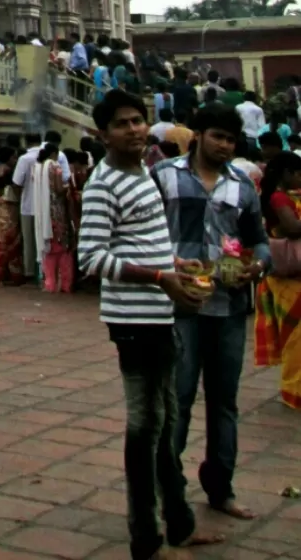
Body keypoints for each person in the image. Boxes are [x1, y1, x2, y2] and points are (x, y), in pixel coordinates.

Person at [77, 89, 220, 560]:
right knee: (145, 426)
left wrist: (174, 263)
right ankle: (145, 536)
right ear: (103, 133)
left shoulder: (141, 171)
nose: (134, 129)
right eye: (122, 123)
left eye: (139, 120)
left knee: (166, 420)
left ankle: (177, 522)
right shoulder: (103, 184)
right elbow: (92, 258)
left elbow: (143, 241)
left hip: (160, 313)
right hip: (133, 320)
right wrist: (161, 276)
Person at [151, 103, 269, 522]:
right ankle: (171, 491)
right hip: (180, 304)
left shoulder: (244, 186)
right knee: (177, 399)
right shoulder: (164, 177)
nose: (224, 145)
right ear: (197, 134)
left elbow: (260, 239)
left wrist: (258, 266)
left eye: (231, 139)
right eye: (217, 136)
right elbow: (145, 233)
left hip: (229, 307)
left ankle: (221, 487)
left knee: (224, 401)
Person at [254, 152, 301, 411]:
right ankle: (294, 391)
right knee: (296, 338)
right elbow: (293, 228)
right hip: (287, 277)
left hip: (293, 276)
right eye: (297, 173)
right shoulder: (278, 197)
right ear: (285, 173)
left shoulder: (290, 197)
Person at [10, 132, 70, 284]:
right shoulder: (56, 157)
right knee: (47, 241)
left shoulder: (24, 159)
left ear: (26, 141)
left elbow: (16, 183)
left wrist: (21, 198)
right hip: (49, 206)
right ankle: (47, 272)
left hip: (28, 206)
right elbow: (65, 179)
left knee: (30, 241)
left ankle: (31, 272)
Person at [31, 143, 75, 293]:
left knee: (48, 249)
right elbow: (58, 189)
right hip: (57, 212)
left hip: (43, 215)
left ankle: (49, 283)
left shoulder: (37, 168)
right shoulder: (55, 167)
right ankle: (65, 284)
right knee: (63, 248)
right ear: (54, 154)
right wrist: (69, 188)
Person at [0, 146, 25, 285]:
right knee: (13, 241)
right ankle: (14, 274)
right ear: (9, 157)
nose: (15, 159)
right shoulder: (9, 171)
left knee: (1, 241)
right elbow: (15, 190)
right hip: (9, 206)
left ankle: (1, 273)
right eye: (14, 157)